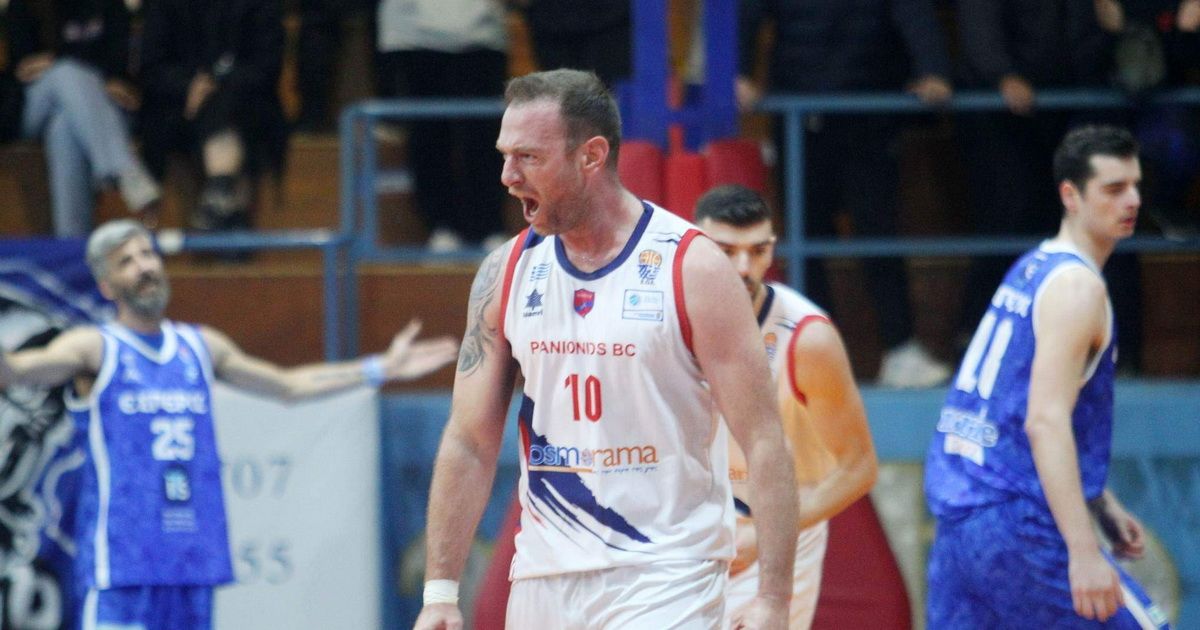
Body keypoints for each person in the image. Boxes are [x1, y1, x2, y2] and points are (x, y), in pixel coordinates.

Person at [414, 69, 799, 630]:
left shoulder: (692, 267)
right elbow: (470, 441)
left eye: (528, 157)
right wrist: (440, 593)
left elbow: (764, 439)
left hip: (666, 572)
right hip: (545, 576)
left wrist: (773, 599)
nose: (507, 176)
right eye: (504, 156)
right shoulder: (506, 271)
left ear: (591, 155)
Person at [0, 219, 459, 629]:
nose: (144, 266)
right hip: (123, 565)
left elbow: (288, 385)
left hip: (192, 560)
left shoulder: (200, 345)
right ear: (106, 286)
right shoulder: (95, 347)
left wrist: (379, 368)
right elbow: (18, 370)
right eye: (127, 261)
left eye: (147, 255)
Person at [924, 125, 1170, 627]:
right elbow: (1044, 421)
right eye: (1113, 188)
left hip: (959, 516)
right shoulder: (1078, 288)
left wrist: (1098, 498)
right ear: (1070, 195)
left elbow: (1011, 407)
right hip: (1016, 521)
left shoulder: (1033, 266)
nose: (1132, 200)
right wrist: (1083, 551)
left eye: (1135, 185)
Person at [737, 0, 955, 388]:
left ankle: (900, 349)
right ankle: (810, 355)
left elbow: (913, 12)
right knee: (806, 238)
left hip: (867, 110)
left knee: (877, 231)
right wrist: (738, 73)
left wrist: (933, 70)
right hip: (800, 111)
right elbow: (748, 12)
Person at [694, 185, 879, 629]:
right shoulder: (664, 317)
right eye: (726, 251)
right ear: (696, 247)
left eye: (758, 251)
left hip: (772, 531)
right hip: (692, 527)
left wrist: (764, 536)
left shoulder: (808, 339)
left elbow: (859, 468)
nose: (744, 267)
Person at [4, 0, 160, 236]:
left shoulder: (109, 5)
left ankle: (73, 242)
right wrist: (68, 63)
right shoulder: (24, 5)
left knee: (63, 126)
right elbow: (25, 67)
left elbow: (116, 66)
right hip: (33, 104)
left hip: (91, 106)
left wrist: (59, 60)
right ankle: (125, 169)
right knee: (66, 73)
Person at [139, 0, 289, 233]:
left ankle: (220, 194)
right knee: (200, 114)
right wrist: (189, 86)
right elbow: (151, 67)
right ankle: (222, 195)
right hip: (178, 107)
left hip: (245, 103)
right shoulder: (164, 5)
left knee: (229, 108)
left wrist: (213, 85)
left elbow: (267, 66)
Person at [375, 0, 510, 252]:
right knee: (428, 137)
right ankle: (441, 225)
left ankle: (488, 224)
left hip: (481, 34)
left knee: (483, 137)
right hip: (413, 37)